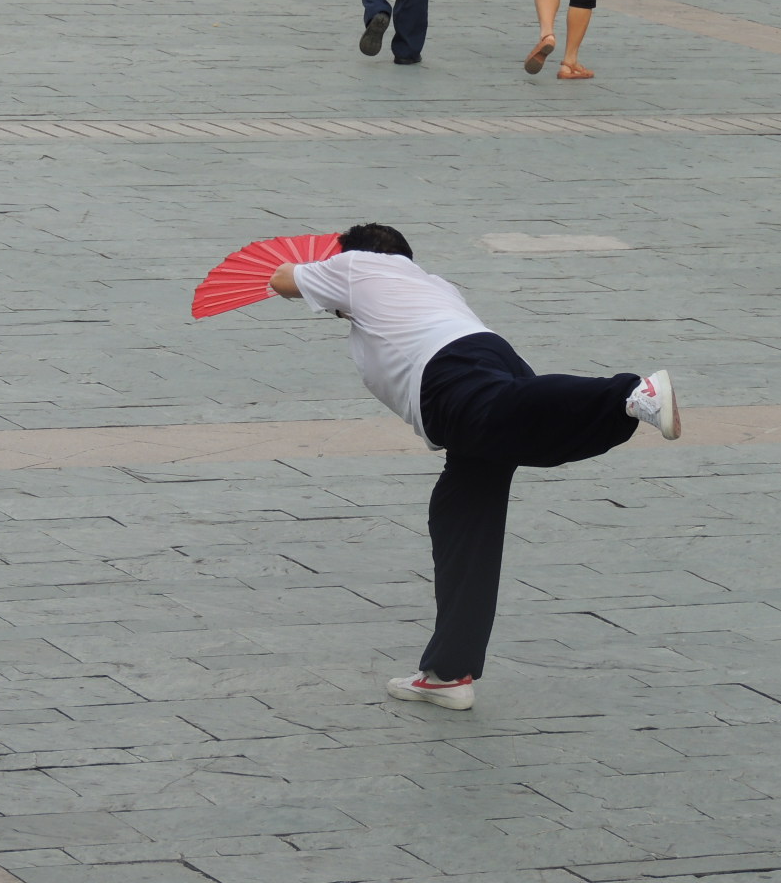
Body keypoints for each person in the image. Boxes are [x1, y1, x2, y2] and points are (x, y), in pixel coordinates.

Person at [270, 224, 680, 711]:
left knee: (501, 417)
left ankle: (628, 393)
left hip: (451, 373)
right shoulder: (427, 282)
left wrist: (320, 266)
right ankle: (449, 672)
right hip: (488, 359)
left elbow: (281, 278)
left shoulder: (359, 264)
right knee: (462, 516)